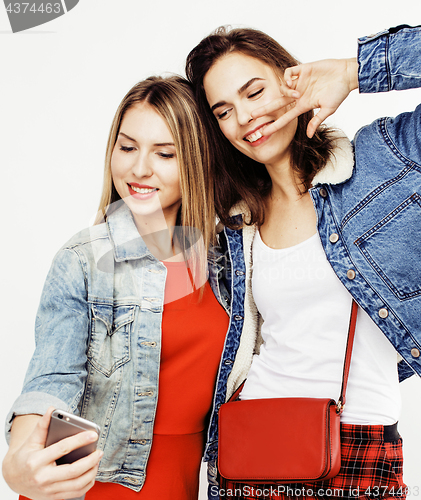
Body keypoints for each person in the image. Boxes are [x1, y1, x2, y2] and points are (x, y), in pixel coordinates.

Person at [185, 24, 421, 499]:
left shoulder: (384, 158)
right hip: (252, 447)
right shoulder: (234, 230)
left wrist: (356, 71)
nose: (245, 117)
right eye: (224, 111)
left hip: (359, 447)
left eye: (254, 92)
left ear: (292, 78)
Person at [2, 75, 230, 500]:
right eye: (127, 147)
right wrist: (19, 456)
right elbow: (52, 375)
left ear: (197, 161)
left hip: (182, 485)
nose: (139, 168)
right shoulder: (82, 259)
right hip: (93, 486)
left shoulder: (228, 261)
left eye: (165, 154)